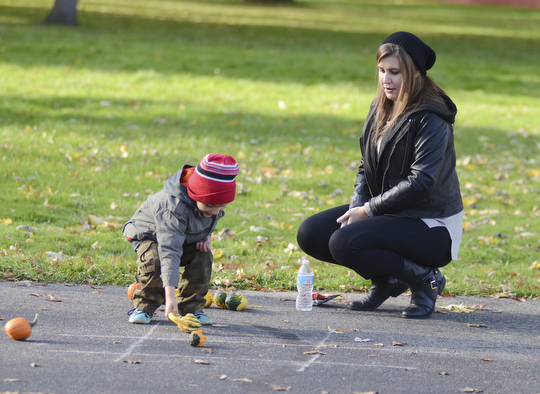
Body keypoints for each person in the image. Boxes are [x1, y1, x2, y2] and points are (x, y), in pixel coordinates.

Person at [297, 32, 463, 319]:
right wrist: (356, 207)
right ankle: (386, 280)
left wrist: (370, 209)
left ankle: (424, 279)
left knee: (344, 241)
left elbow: (421, 182)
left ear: (414, 73)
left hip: (430, 224)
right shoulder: (380, 107)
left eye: (395, 72)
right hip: (389, 213)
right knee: (312, 233)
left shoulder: (431, 116)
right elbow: (366, 166)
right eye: (382, 71)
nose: (386, 79)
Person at [123, 153, 239, 325]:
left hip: (182, 233)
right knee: (155, 260)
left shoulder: (211, 204)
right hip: (149, 235)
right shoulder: (173, 208)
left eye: (221, 206)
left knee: (203, 255)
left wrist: (205, 236)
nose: (215, 211)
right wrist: (170, 296)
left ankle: (191, 308)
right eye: (210, 206)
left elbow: (209, 218)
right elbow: (169, 250)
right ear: (195, 194)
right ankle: (145, 306)